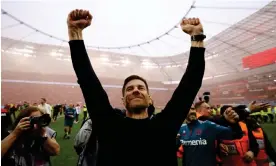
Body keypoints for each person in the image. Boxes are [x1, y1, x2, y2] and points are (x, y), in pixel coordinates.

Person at [68, 9, 205, 166]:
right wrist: (75, 33)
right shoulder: (109, 124)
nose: (135, 90)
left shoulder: (165, 124)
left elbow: (190, 84)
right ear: (123, 100)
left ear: (149, 98)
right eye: (129, 89)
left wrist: (197, 38)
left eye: (141, 87)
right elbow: (88, 81)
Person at [177, 105, 242, 166]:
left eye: (192, 109)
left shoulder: (208, 125)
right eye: (188, 109)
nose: (191, 111)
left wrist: (232, 122)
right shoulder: (181, 129)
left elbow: (234, 134)